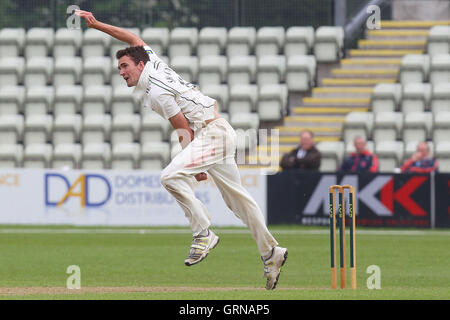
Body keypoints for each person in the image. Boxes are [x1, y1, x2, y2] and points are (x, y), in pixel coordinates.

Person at [76, 10, 287, 290]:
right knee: (238, 201)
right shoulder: (152, 62)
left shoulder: (156, 90)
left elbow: (182, 127)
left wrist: (194, 165)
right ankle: (271, 253)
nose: (122, 72)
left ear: (139, 65)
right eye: (119, 69)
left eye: (125, 66)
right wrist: (96, 25)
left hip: (211, 135)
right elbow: (131, 37)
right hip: (218, 132)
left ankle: (203, 234)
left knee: (170, 176)